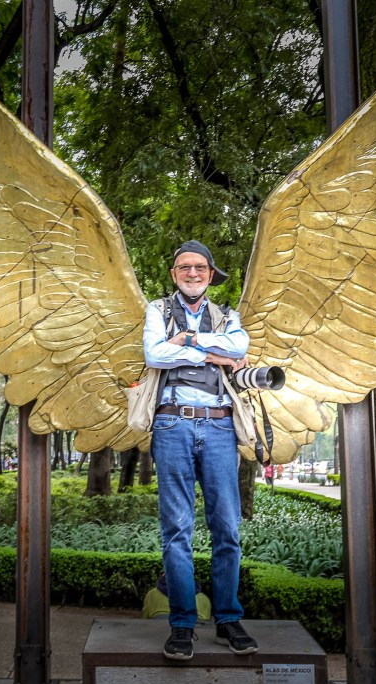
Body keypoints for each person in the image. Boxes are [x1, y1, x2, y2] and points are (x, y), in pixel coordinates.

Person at [143, 239, 258, 661]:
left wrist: (186, 339)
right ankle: (182, 625)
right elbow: (153, 354)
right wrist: (214, 351)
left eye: (200, 268)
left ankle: (228, 619)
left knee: (226, 527)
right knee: (177, 530)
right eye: (184, 267)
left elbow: (240, 349)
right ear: (174, 274)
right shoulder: (156, 310)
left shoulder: (229, 315)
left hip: (220, 425)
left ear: (210, 275)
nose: (192, 273)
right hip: (171, 423)